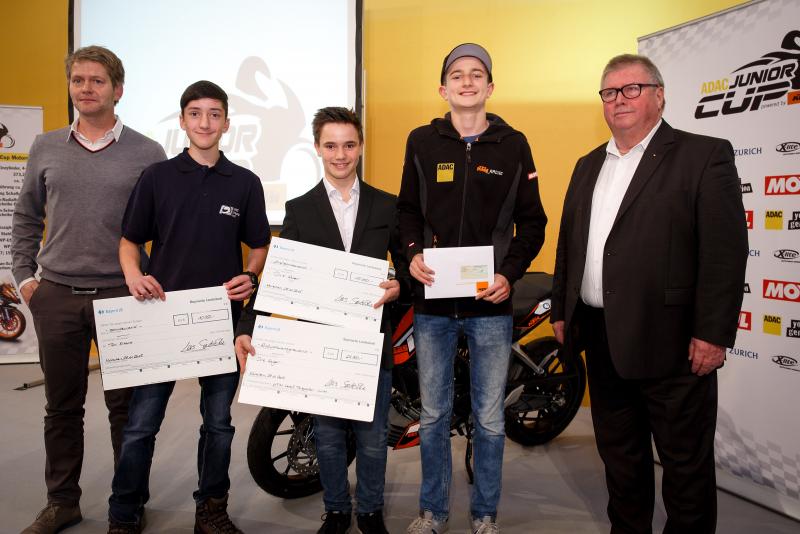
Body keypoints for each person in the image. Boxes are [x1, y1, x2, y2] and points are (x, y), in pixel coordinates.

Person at [551, 54, 748, 533]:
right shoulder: (587, 164)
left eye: (631, 89)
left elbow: (724, 253)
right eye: (609, 92)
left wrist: (712, 333)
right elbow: (569, 243)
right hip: (601, 337)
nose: (619, 99)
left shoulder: (703, 155)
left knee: (685, 465)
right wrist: (562, 309)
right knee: (620, 458)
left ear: (659, 96)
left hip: (675, 344)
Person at [11, 45, 166, 534]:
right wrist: (26, 280)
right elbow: (25, 216)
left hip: (123, 297)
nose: (86, 89)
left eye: (97, 81)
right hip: (55, 294)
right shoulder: (45, 146)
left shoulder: (147, 152)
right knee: (61, 408)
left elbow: (164, 227)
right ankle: (62, 502)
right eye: (78, 80)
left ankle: (127, 505)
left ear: (117, 90)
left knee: (126, 411)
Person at [235, 106, 409, 534]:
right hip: (319, 344)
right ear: (317, 148)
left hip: (372, 342)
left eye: (349, 145)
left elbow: (408, 267)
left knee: (373, 439)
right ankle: (336, 511)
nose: (340, 154)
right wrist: (247, 327)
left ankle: (370, 512)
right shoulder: (300, 209)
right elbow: (280, 276)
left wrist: (400, 285)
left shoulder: (388, 205)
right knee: (328, 438)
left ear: (360, 146)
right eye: (331, 145)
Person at [106, 80, 270, 533]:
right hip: (160, 317)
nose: (205, 122)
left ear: (227, 123)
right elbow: (129, 241)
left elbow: (259, 244)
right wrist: (133, 276)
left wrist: (250, 273)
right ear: (182, 121)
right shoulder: (157, 177)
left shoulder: (245, 183)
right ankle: (124, 514)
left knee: (218, 425)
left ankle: (211, 511)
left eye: (214, 114)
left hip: (219, 320)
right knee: (141, 424)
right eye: (195, 113)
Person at [398, 43, 547, 534]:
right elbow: (407, 212)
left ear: (490, 86)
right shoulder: (421, 141)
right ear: (443, 89)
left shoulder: (514, 144)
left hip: (490, 307)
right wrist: (413, 253)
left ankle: (485, 515)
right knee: (434, 416)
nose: (467, 81)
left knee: (488, 418)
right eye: (457, 74)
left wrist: (510, 273)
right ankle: (433, 512)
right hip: (433, 305)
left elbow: (533, 222)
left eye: (476, 73)